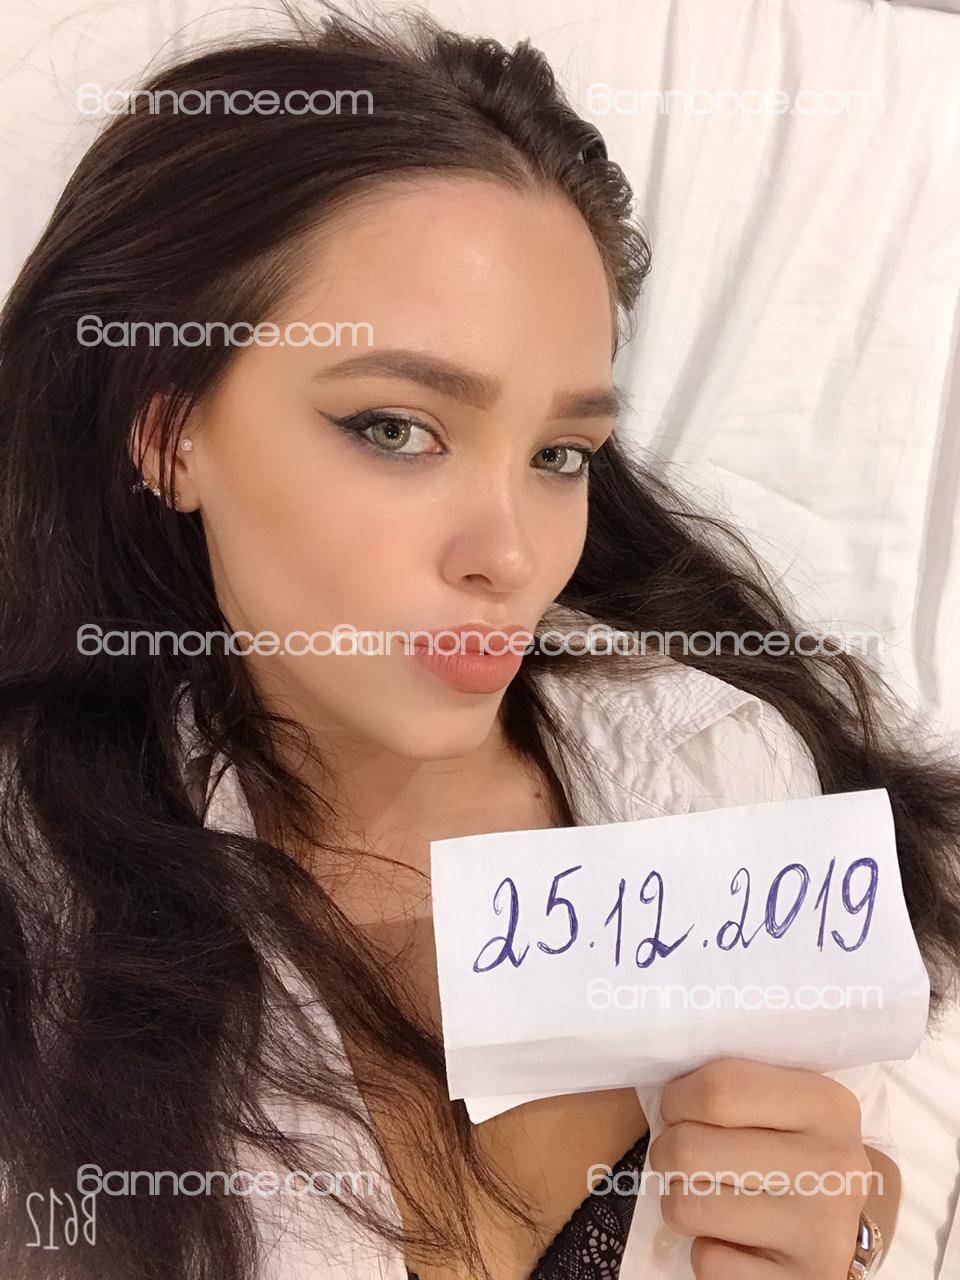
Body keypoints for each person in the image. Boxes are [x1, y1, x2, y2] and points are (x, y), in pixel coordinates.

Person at [0, 5, 957, 1279]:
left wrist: (856, 1220)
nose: (511, 556)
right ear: (169, 432)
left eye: (560, 452)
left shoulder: (717, 768)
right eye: (396, 428)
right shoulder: (42, 918)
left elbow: (858, 1143)